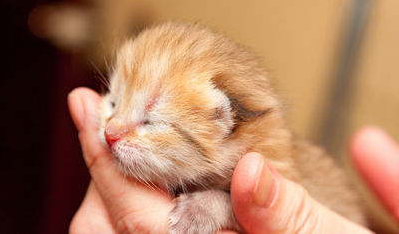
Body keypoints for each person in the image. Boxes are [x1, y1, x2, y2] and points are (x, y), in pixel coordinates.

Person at [68, 87, 399, 234]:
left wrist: (218, 207)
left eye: (153, 121)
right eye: (113, 98)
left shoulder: (268, 167)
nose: (112, 130)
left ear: (221, 122)